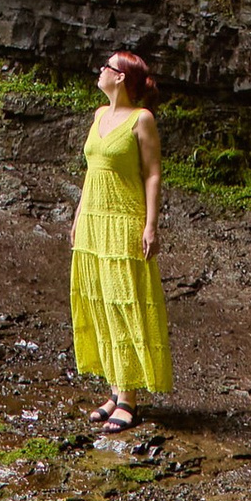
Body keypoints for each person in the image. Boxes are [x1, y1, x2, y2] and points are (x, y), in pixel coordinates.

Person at [71, 48, 170, 433]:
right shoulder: (99, 115)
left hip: (123, 221)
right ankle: (115, 389)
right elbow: (92, 172)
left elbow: (153, 174)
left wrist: (151, 225)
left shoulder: (141, 119)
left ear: (121, 77)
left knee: (124, 302)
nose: (100, 70)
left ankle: (128, 399)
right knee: (100, 302)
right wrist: (78, 217)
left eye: (107, 66)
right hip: (93, 222)